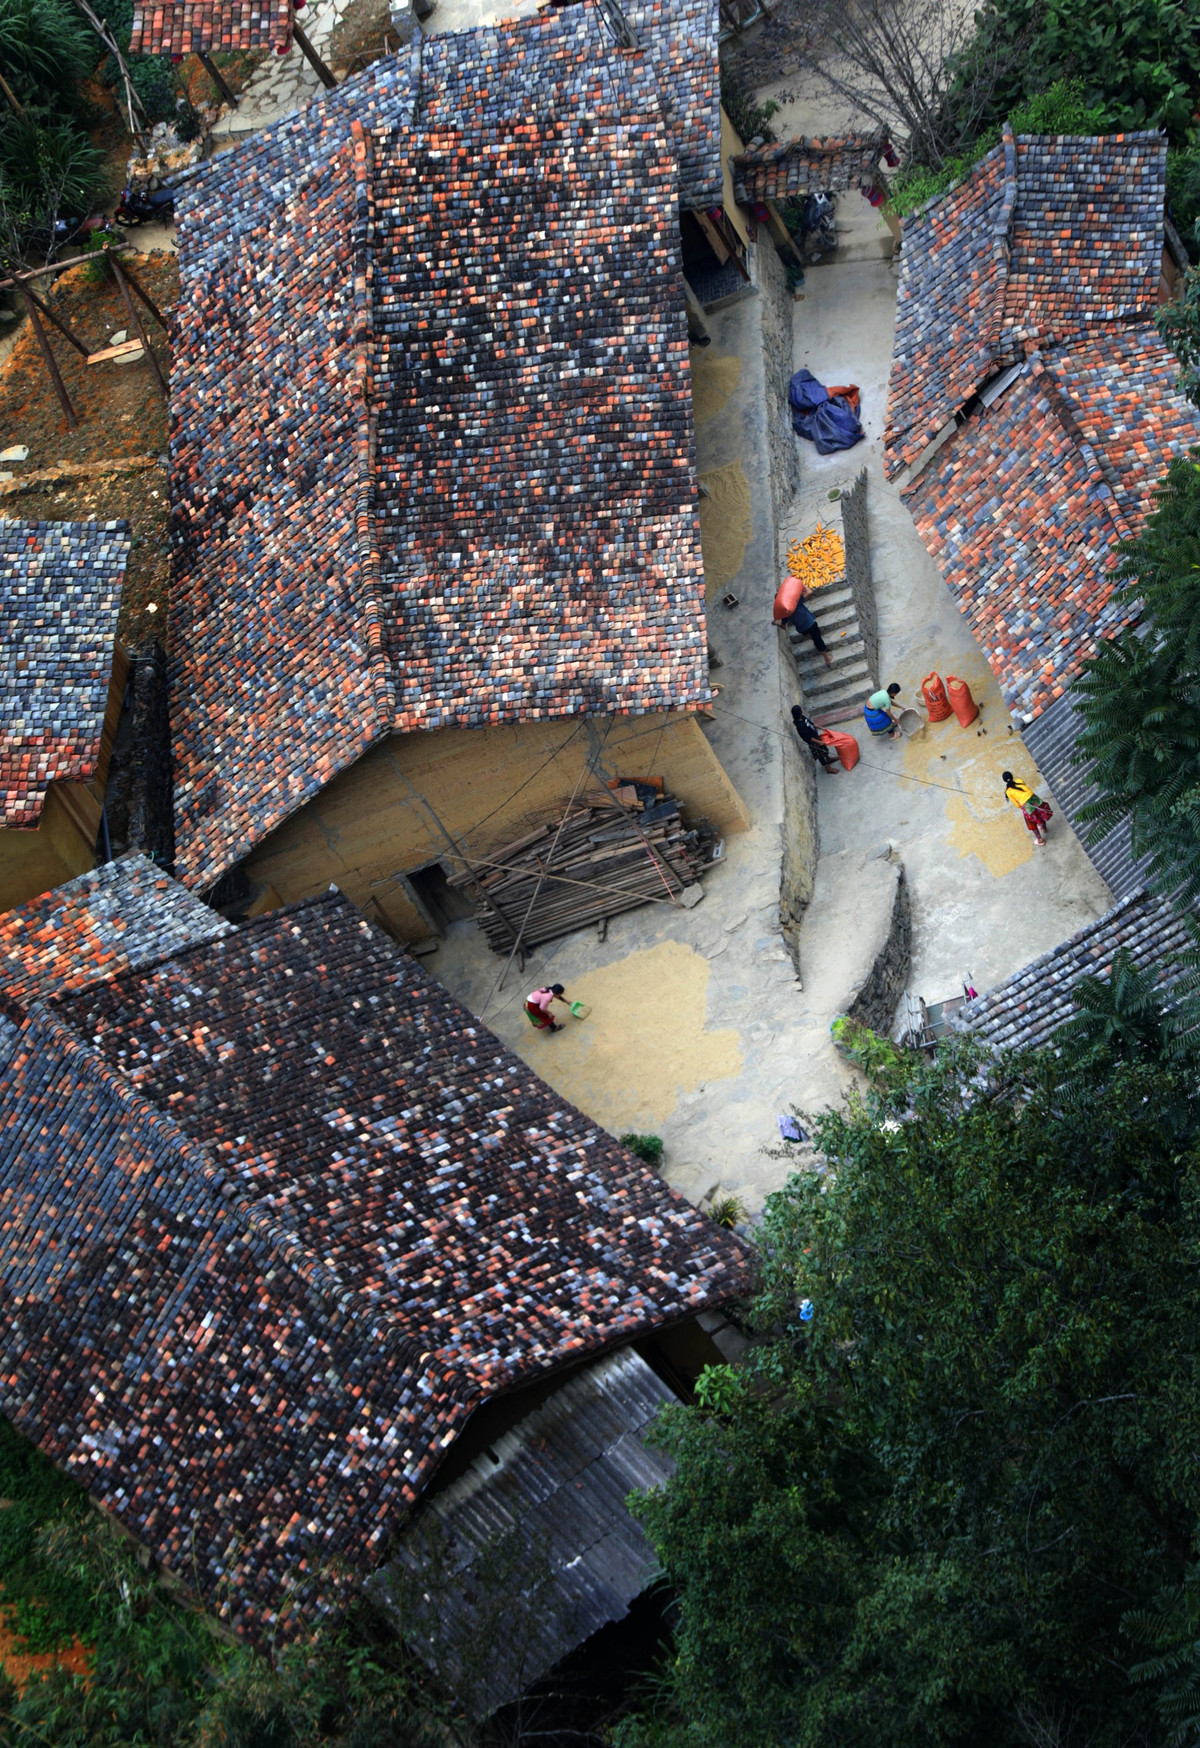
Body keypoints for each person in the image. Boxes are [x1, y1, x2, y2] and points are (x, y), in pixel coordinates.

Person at [777, 585, 833, 669]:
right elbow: (809, 592)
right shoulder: (795, 601)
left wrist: (778, 623)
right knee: (818, 641)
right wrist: (803, 585)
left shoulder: (784, 612)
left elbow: (783, 627)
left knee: (810, 635)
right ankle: (827, 658)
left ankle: (813, 639)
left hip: (801, 628)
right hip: (810, 624)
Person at [1002, 771, 1053, 846]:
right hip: (1034, 799)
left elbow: (1017, 804)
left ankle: (1040, 840)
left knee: (1031, 822)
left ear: (1004, 781)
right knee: (1040, 814)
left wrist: (1022, 807)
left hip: (1027, 805)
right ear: (1012, 776)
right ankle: (1044, 828)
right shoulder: (1019, 780)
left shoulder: (1008, 791)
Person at [790, 704, 837, 772]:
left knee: (824, 748)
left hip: (816, 737)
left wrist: (822, 728)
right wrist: (819, 742)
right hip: (813, 742)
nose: (802, 711)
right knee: (820, 754)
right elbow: (808, 738)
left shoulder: (802, 717)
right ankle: (828, 768)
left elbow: (812, 724)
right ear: (798, 713)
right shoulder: (799, 726)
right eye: (800, 710)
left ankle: (828, 758)